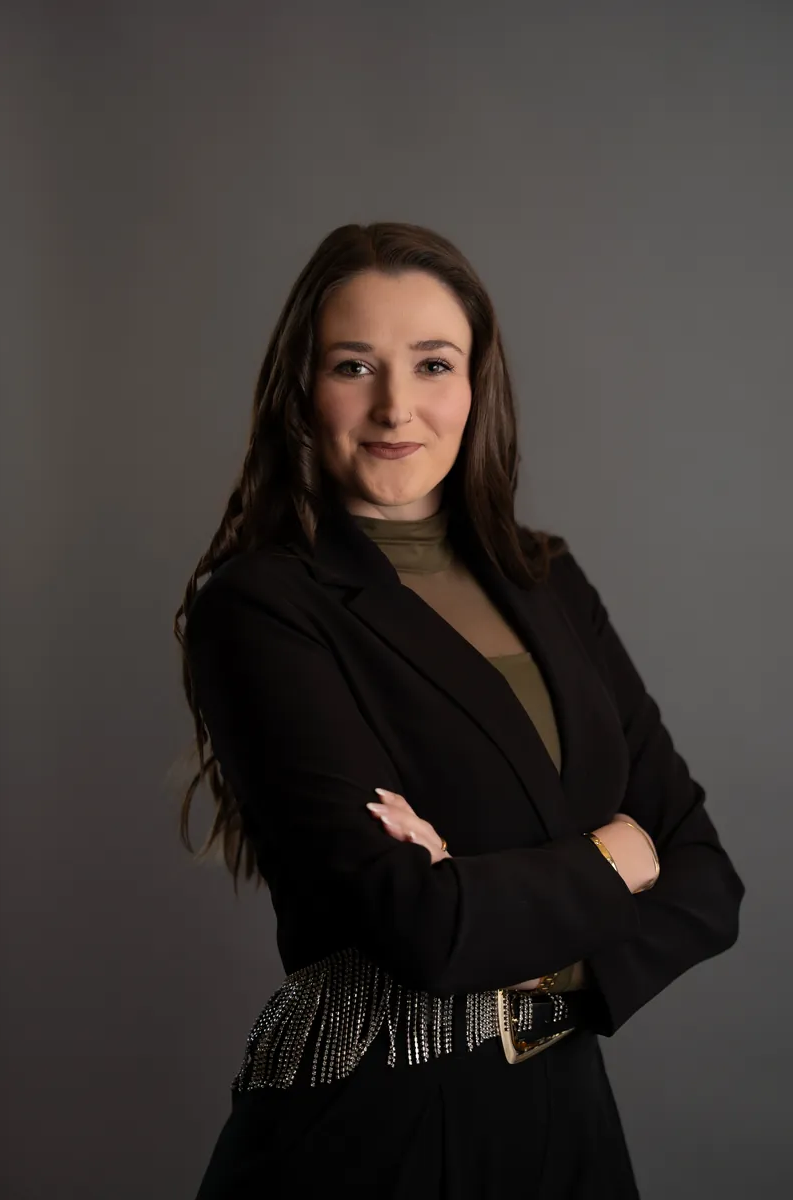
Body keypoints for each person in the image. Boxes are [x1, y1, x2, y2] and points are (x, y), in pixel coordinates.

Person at [173, 221, 745, 1198]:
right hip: (373, 1135)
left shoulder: (547, 581)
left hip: (564, 1125)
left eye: (431, 363)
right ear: (301, 391)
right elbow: (423, 927)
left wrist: (516, 938)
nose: (396, 405)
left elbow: (703, 880)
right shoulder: (259, 608)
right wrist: (612, 857)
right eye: (354, 365)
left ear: (475, 386)